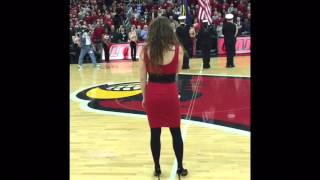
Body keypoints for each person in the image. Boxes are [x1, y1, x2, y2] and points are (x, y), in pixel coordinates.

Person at [139, 16, 188, 179]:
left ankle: (157, 167)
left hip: (153, 92)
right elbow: (177, 72)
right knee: (176, 132)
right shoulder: (178, 49)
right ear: (169, 30)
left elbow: (142, 79)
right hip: (170, 93)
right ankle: (180, 167)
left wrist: (144, 98)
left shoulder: (145, 51)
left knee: (154, 133)